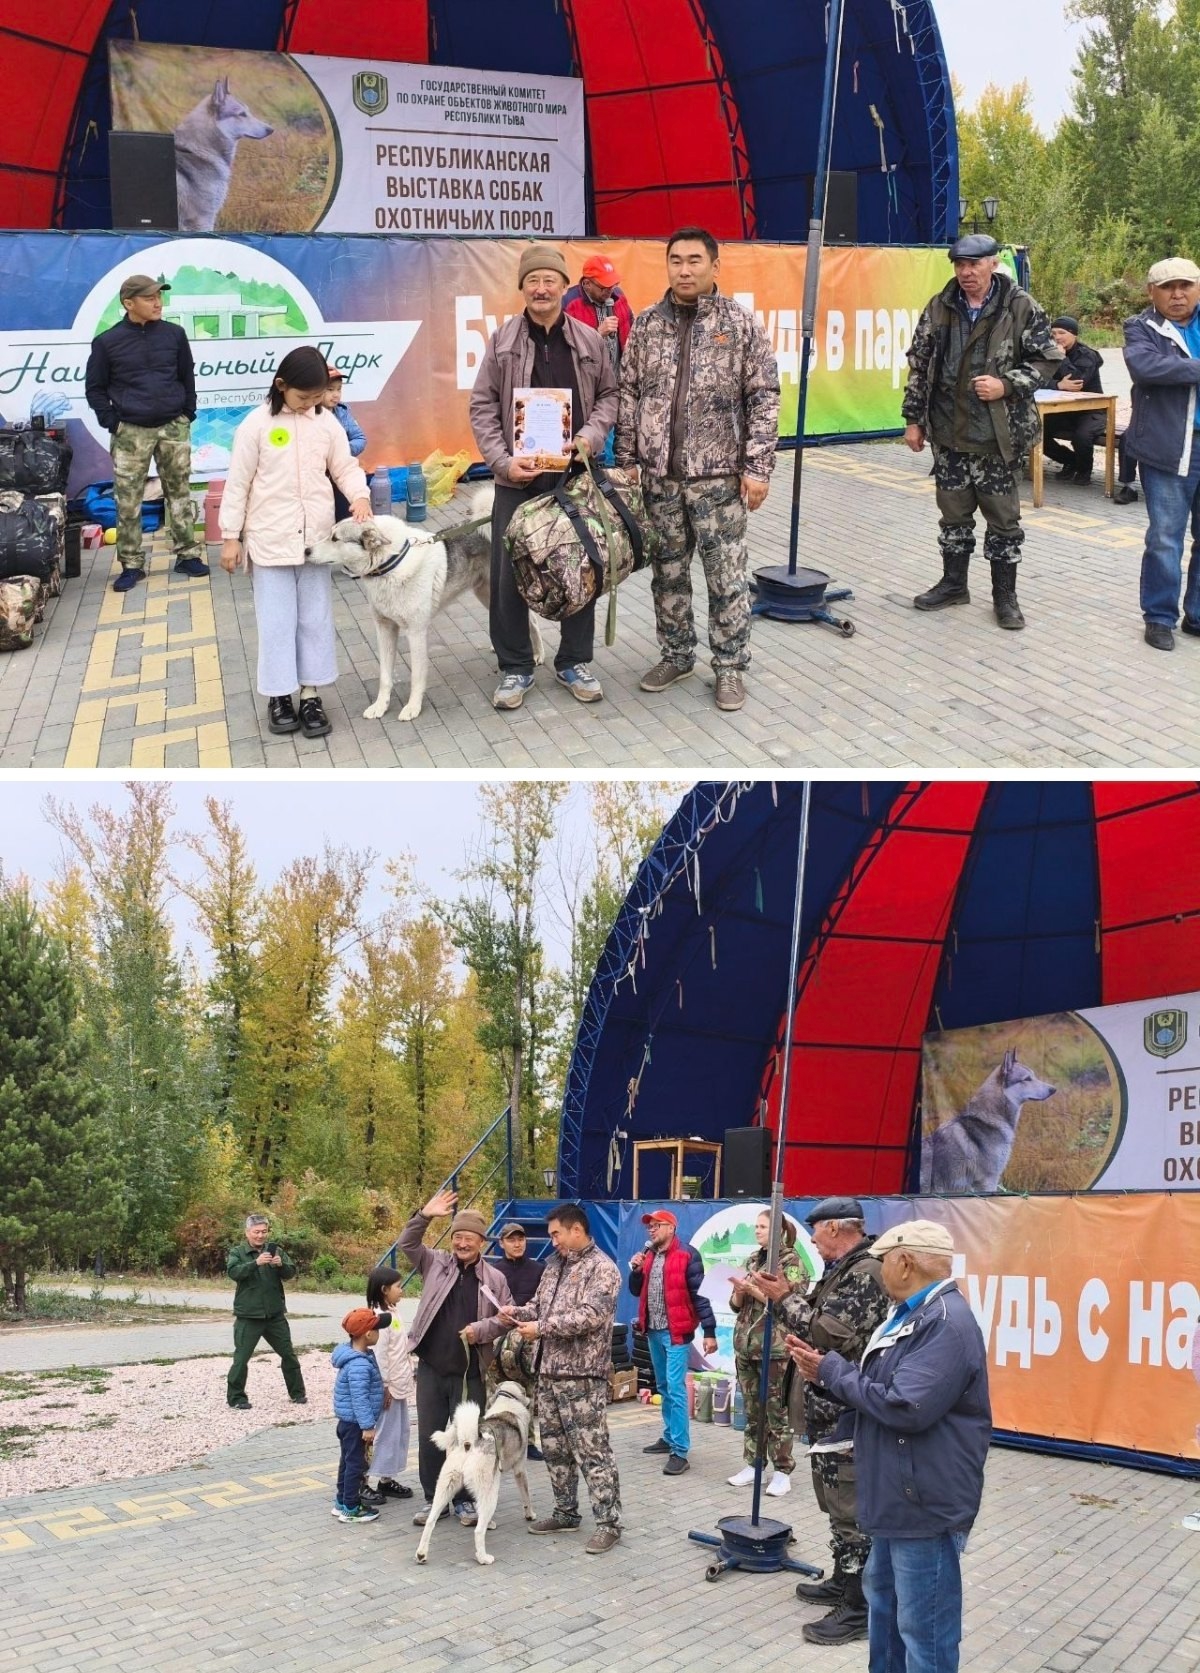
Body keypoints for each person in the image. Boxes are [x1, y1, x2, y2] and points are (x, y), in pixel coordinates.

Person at [788, 1220, 991, 1673]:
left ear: (904, 1262)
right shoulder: (911, 1314)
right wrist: (825, 1375)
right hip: (897, 1497)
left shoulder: (944, 1324)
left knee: (924, 1631)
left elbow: (906, 1406)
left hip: (922, 1503)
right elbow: (880, 1387)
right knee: (886, 1609)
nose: (878, 1272)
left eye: (882, 1262)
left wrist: (832, 1373)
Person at [616, 226, 780, 713]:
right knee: (667, 574)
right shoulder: (647, 325)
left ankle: (728, 667)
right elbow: (628, 395)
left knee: (726, 577)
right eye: (675, 261)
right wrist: (626, 461)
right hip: (659, 480)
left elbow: (764, 397)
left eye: (693, 260)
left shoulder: (739, 324)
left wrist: (758, 467)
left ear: (714, 265)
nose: (684, 270)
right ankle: (676, 654)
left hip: (718, 481)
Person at [469, 243, 619, 712]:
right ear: (522, 286)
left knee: (583, 566)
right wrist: (501, 461)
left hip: (573, 477)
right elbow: (481, 407)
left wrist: (590, 439)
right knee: (508, 575)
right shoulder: (503, 341)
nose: (541, 288)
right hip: (517, 478)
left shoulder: (589, 340)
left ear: (563, 284)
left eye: (549, 279)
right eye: (532, 280)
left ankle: (574, 660)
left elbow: (610, 396)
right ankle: (515, 666)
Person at [902, 233, 1063, 632]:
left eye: (974, 264)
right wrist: (913, 419)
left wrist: (1007, 385)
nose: (966, 272)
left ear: (993, 263)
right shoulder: (941, 307)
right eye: (959, 265)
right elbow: (919, 364)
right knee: (953, 517)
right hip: (949, 433)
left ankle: (1004, 597)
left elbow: (1048, 359)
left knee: (1003, 521)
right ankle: (954, 584)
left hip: (998, 437)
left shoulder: (1019, 306)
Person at [748, 1195, 889, 1646]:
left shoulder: (865, 1273)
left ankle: (859, 1605)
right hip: (828, 1405)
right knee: (835, 1503)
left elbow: (826, 1332)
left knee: (851, 1508)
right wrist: (773, 1299)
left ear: (836, 1229)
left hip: (846, 1409)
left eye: (816, 1229)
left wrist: (782, 1297)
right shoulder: (843, 1269)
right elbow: (813, 1320)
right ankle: (843, 1581)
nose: (811, 1237)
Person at [218, 345, 371, 739]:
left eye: (317, 398)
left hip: (316, 540)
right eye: (303, 397)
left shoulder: (326, 423)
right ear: (281, 385)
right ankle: (279, 695)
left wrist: (360, 496)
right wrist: (230, 537)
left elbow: (344, 466)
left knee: (314, 620)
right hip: (269, 539)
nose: (309, 405)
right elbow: (238, 483)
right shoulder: (256, 425)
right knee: (276, 622)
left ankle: (311, 693)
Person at [496, 1202, 623, 1554]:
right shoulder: (555, 1267)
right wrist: (516, 1313)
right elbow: (539, 1306)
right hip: (548, 1373)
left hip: (582, 1376)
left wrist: (542, 1328)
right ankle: (566, 1512)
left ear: (576, 1231)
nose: (552, 1241)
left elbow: (591, 1316)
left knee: (592, 1451)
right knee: (554, 1448)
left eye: (556, 1234)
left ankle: (609, 1522)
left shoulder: (603, 1269)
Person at [84, 274, 209, 593]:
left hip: (173, 426)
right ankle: (131, 564)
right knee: (127, 499)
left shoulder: (175, 335)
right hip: (131, 431)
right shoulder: (107, 342)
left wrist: (187, 412)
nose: (158, 303)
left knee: (179, 492)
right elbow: (95, 389)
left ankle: (187, 554)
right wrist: (114, 422)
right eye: (149, 298)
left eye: (159, 297)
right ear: (129, 303)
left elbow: (186, 376)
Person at [398, 1187, 513, 1528]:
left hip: (470, 1372)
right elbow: (407, 1244)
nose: (462, 1244)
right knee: (431, 1435)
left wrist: (482, 1329)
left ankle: (464, 1500)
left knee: (468, 1437)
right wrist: (424, 1215)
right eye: (457, 1237)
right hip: (432, 1367)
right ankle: (435, 1499)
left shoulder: (495, 1278)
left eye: (469, 1238)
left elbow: (505, 1318)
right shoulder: (435, 1263)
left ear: (481, 1243)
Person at [1123, 256, 1200, 651]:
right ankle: (1159, 617)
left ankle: (1197, 615)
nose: (1177, 294)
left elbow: (1170, 369)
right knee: (1165, 538)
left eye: (1185, 285)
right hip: (1169, 447)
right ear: (1151, 292)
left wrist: (1181, 367)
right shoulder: (1141, 327)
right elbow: (1147, 367)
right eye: (1167, 287)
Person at [627, 1207, 718, 1476]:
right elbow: (635, 1290)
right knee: (664, 1386)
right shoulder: (649, 1256)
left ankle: (680, 1451)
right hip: (653, 1331)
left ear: (671, 1228)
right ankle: (668, 1437)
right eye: (649, 1227)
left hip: (677, 1333)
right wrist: (635, 1271)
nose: (651, 1230)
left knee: (676, 1389)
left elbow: (701, 1295)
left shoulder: (688, 1255)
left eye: (656, 1225)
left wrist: (710, 1331)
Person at [728, 1210, 806, 1497]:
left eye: (762, 1226)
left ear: (777, 1231)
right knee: (752, 1411)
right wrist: (740, 1291)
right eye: (756, 1226)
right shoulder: (752, 1258)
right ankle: (754, 1464)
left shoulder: (791, 1261)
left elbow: (791, 1303)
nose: (757, 1231)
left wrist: (757, 1290)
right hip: (746, 1345)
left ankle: (783, 1470)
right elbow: (737, 1305)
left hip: (774, 1348)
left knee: (776, 1412)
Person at [225, 1213, 307, 1410]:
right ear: (247, 1233)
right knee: (241, 1359)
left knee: (288, 1355)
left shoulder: (276, 1250)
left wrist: (281, 1265)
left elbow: (290, 1272)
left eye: (264, 1231)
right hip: (248, 1316)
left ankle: (297, 1394)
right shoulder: (238, 1252)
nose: (260, 1236)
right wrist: (256, 1263)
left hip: (275, 1315)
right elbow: (233, 1273)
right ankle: (236, 1398)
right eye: (256, 1232)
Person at [564, 254, 634, 463]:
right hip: (586, 382)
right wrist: (597, 333)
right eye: (604, 286)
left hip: (616, 377)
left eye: (613, 284)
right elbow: (563, 346)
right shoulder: (570, 303)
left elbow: (632, 324)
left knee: (617, 429)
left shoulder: (618, 297)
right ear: (586, 283)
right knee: (593, 429)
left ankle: (614, 475)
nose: (610, 290)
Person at [360, 1266, 415, 1507]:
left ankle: (386, 1479)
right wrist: (384, 1386)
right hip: (388, 1389)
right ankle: (362, 1481)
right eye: (398, 1287)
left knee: (396, 1434)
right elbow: (380, 1355)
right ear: (384, 1290)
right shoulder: (378, 1317)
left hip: (399, 1385)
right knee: (380, 1435)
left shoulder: (393, 1312)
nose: (401, 1291)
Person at [331, 1306, 387, 1524]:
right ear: (368, 1334)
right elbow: (360, 1398)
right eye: (377, 1329)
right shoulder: (359, 1365)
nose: (379, 1333)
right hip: (356, 1425)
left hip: (348, 1423)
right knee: (356, 1465)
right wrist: (368, 1426)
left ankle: (342, 1501)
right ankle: (351, 1508)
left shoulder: (356, 1356)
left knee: (347, 1462)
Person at [1043, 316, 1106, 485]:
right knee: (1035, 431)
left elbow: (1077, 382)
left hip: (1091, 410)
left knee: (1082, 436)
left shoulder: (1088, 355)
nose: (1057, 337)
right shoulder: (1048, 353)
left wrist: (1062, 359)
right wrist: (1057, 385)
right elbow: (1038, 378)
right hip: (1062, 410)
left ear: (1074, 335)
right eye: (1053, 333)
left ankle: (1084, 471)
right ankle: (1070, 460)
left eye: (1062, 333)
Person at [320, 364, 367, 524]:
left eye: (338, 389)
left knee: (344, 520)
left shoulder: (343, 411)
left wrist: (340, 451)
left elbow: (360, 438)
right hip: (319, 479)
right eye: (330, 389)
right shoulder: (309, 415)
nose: (336, 395)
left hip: (341, 475)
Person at [489, 1221, 545, 1305]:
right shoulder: (493, 1271)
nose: (517, 1245)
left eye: (521, 1239)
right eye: (511, 1240)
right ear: (501, 1243)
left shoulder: (539, 1270)